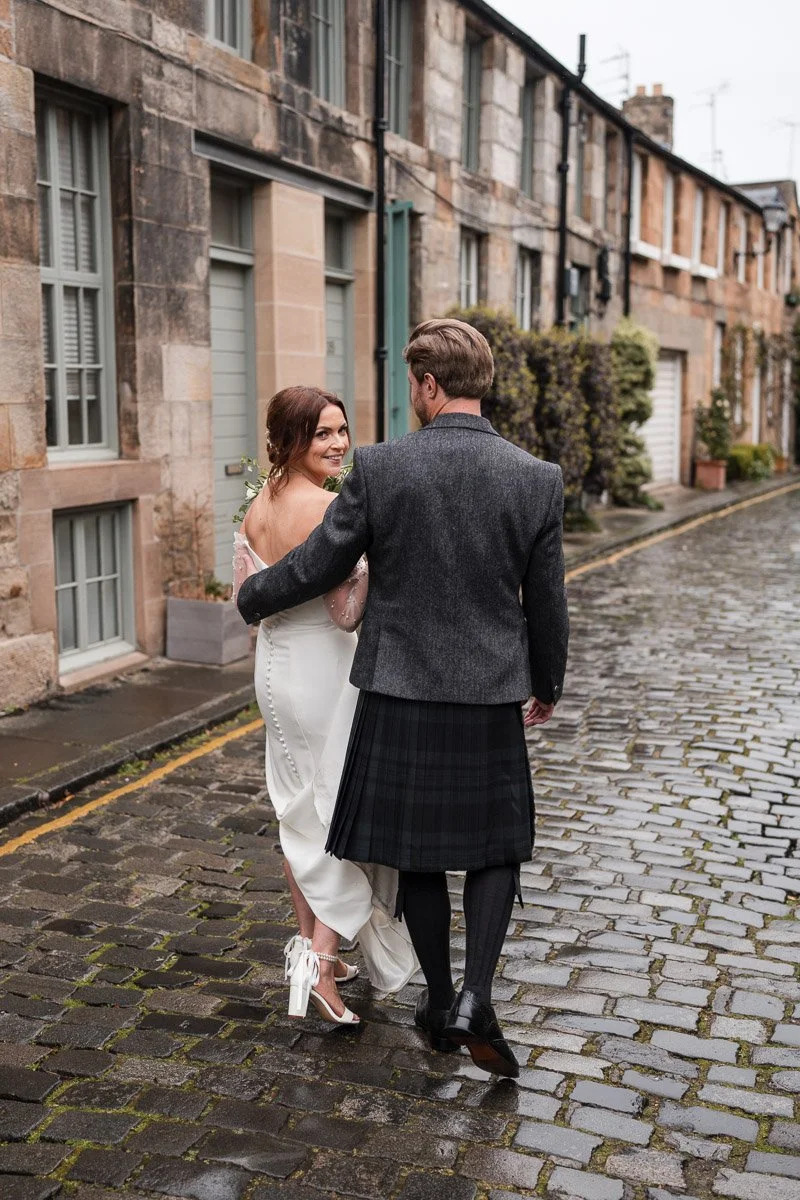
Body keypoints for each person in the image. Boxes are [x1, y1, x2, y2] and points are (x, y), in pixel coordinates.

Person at [237, 321, 569, 1077]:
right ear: (481, 380)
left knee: (417, 851)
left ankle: (438, 993)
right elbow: (547, 602)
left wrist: (253, 594)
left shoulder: (383, 468)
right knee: (495, 849)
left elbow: (321, 562)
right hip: (488, 694)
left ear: (426, 383)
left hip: (399, 687)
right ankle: (472, 1000)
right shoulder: (535, 476)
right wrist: (546, 683)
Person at [233, 385, 417, 1027]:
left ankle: (322, 961)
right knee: (338, 810)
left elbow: (249, 602)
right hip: (324, 671)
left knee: (299, 814)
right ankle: (319, 959)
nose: (339, 443)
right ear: (292, 441)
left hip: (275, 671)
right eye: (323, 434)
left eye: (342, 430)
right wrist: (376, 568)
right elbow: (343, 614)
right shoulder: (328, 509)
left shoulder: (259, 505)